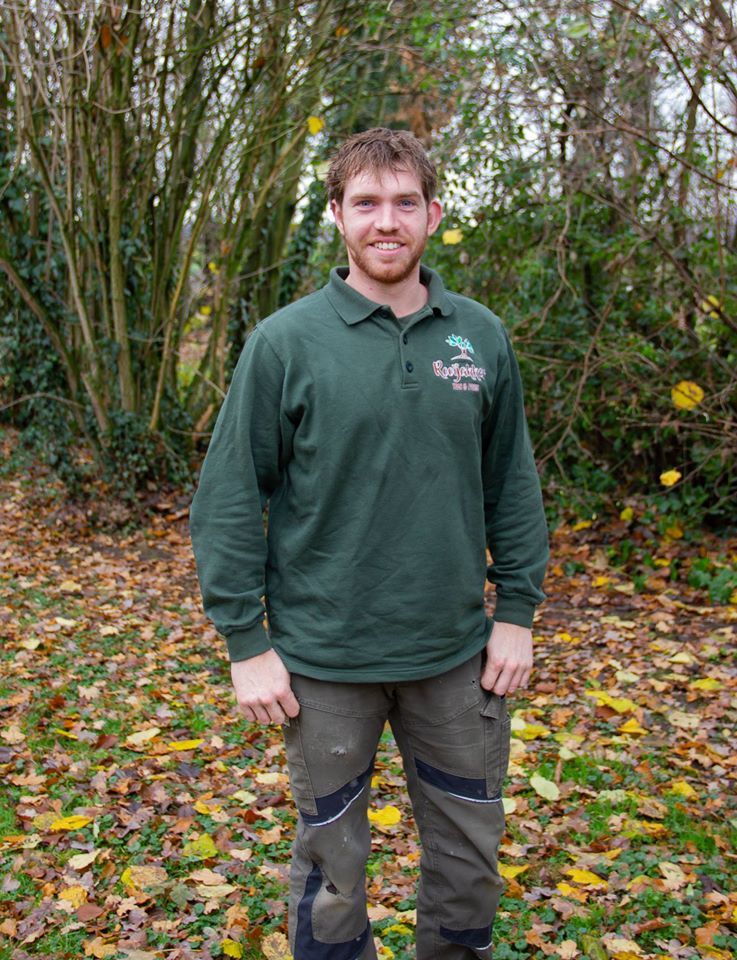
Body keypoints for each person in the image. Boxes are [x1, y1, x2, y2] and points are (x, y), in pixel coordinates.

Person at [190, 127, 549, 960]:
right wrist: (246, 643)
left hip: (454, 658)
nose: (385, 221)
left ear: (432, 215)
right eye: (365, 203)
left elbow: (510, 483)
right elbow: (230, 496)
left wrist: (516, 613)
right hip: (323, 661)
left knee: (468, 863)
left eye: (403, 203)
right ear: (336, 215)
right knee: (332, 872)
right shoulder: (285, 343)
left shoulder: (478, 336)